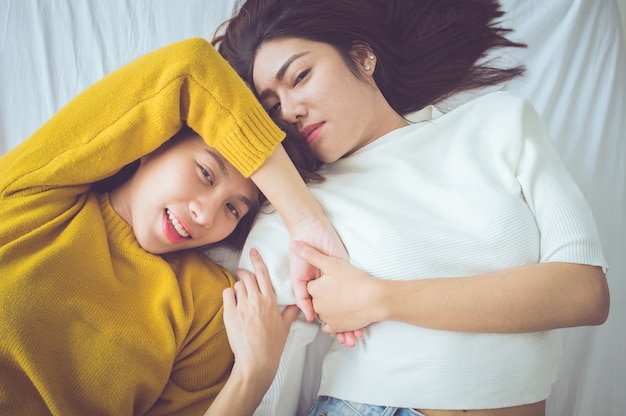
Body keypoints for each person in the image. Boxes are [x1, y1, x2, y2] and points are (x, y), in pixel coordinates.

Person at [212, 0, 611, 415]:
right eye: (273, 106)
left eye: (301, 76)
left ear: (362, 56)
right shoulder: (299, 207)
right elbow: (188, 75)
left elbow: (585, 292)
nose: (290, 110)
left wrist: (380, 298)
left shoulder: (500, 123)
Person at [0, 37, 348, 415]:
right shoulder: (40, 193)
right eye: (205, 173)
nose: (205, 215)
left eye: (232, 208)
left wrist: (253, 374)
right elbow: (190, 67)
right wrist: (303, 217)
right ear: (153, 141)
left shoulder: (212, 305)